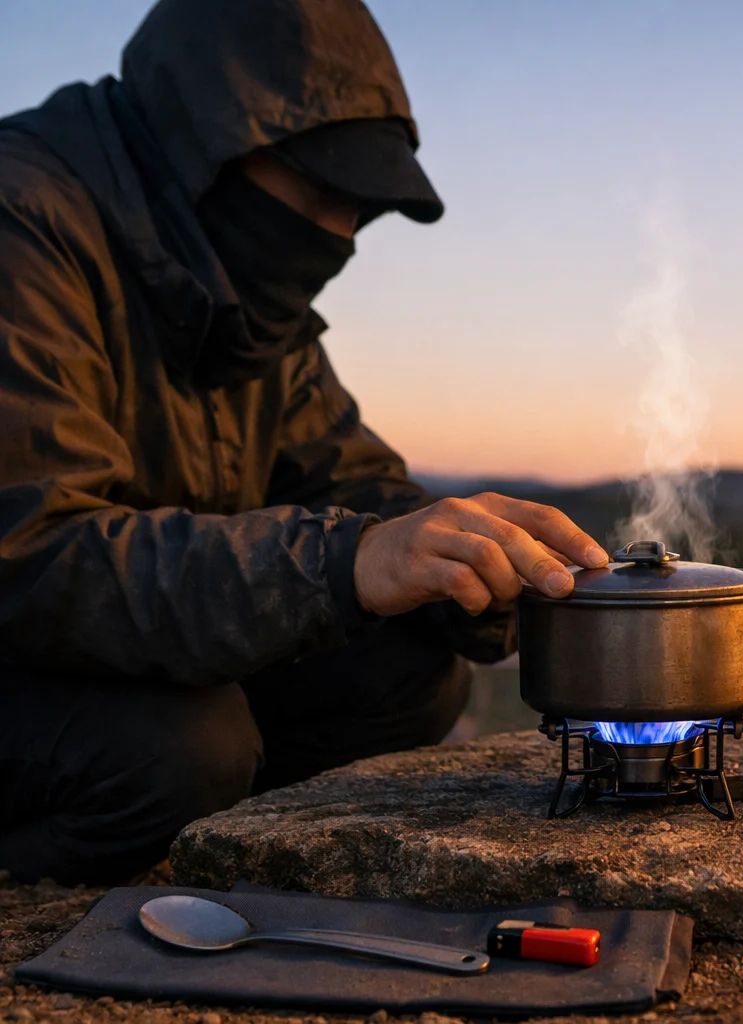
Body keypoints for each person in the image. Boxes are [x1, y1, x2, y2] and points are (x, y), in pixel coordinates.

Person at [0, 0, 607, 885]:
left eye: (360, 208)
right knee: (175, 752)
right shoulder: (25, 218)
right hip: (22, 644)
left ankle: (223, 860)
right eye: (324, 189)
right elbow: (32, 556)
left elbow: (354, 482)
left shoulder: (239, 292)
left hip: (113, 649)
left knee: (410, 668)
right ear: (211, 141)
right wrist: (342, 561)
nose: (341, 234)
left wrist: (464, 570)